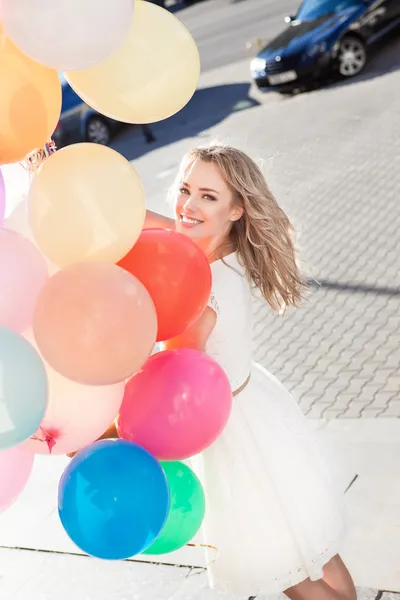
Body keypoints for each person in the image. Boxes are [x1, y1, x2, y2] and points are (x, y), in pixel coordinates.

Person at [145, 144, 357, 600]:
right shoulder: (216, 250)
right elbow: (150, 226)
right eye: (185, 190)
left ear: (237, 209)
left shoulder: (202, 288)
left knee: (288, 572)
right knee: (313, 546)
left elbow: (176, 376)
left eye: (207, 196)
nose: (188, 205)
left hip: (234, 435)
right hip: (257, 410)